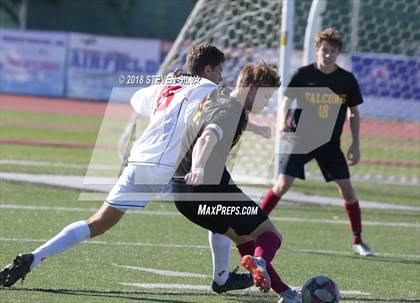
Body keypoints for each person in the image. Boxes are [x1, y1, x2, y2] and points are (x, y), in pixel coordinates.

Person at [0, 44, 254, 292]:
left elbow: (136, 99)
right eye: (219, 70)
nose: (222, 76)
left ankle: (33, 257)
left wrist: (164, 84)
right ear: (208, 69)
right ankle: (222, 279)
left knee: (97, 222)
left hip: (140, 159)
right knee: (217, 212)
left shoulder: (168, 85)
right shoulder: (212, 89)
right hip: (175, 166)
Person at [170, 63, 300, 303]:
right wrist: (198, 168)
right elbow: (207, 138)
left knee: (244, 239)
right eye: (266, 96)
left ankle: (287, 294)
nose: (267, 103)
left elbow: (217, 113)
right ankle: (261, 263)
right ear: (251, 89)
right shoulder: (232, 111)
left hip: (182, 193)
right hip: (207, 187)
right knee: (270, 235)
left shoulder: (222, 97)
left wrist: (256, 128)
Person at [259, 28, 374, 256]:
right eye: (324, 50)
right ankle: (251, 225)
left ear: (338, 52)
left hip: (330, 144)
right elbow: (285, 101)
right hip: (300, 139)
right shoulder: (303, 75)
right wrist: (282, 122)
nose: (328, 55)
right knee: (282, 185)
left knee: (348, 190)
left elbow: (354, 113)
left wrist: (356, 143)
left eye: (332, 51)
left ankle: (358, 240)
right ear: (317, 50)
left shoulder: (346, 80)